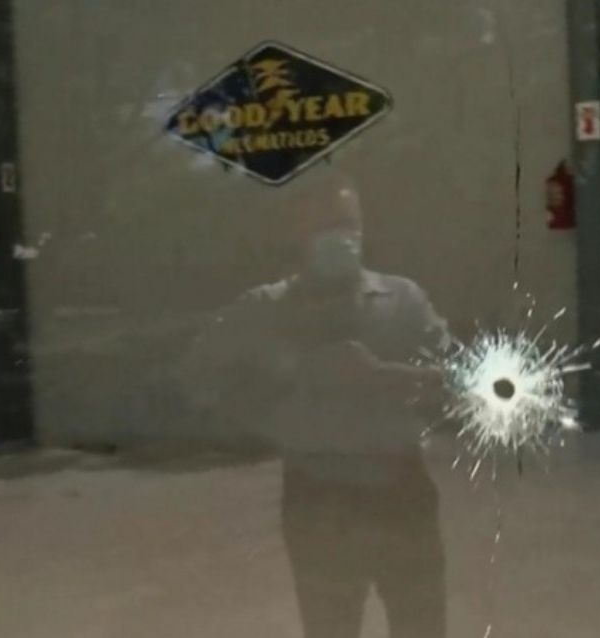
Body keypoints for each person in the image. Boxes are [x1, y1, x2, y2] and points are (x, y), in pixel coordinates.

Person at [181, 171, 451, 638]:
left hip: (402, 489)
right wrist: (282, 394)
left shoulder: (402, 301)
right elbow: (198, 379)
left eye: (348, 223)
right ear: (297, 233)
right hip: (317, 496)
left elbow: (462, 383)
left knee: (421, 626)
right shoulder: (264, 310)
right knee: (330, 627)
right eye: (325, 225)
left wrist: (383, 377)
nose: (340, 237)